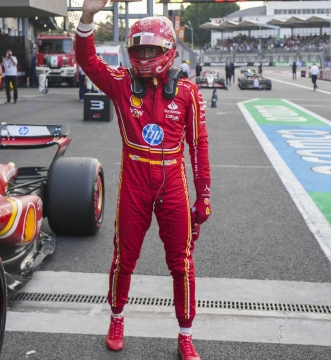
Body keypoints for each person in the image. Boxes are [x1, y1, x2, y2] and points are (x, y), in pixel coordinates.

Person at [77, 2, 211, 360]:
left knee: (181, 262)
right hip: (135, 183)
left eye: (153, 49)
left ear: (168, 50)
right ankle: (117, 319)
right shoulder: (121, 84)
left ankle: (185, 334)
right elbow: (88, 61)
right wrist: (88, 17)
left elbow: (198, 147)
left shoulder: (188, 92)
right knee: (124, 258)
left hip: (174, 185)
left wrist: (204, 195)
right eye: (140, 49)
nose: (146, 55)